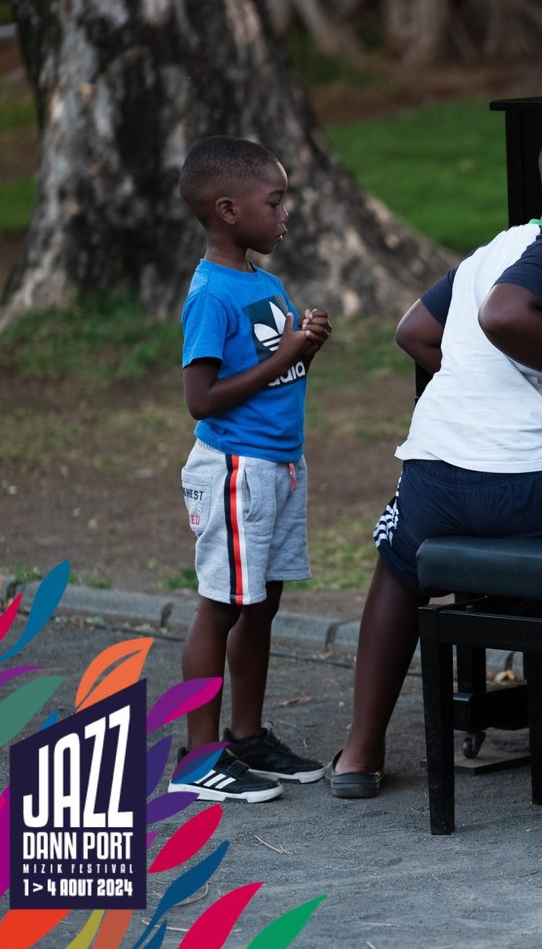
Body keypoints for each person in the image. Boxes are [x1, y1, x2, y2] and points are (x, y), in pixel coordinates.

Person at [326, 118, 542, 799]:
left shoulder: (495, 249)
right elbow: (505, 317)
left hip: (435, 481)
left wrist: (479, 388)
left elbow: (414, 331)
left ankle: (359, 751)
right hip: (536, 489)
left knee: (397, 562)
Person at [172, 136, 333, 803]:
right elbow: (201, 399)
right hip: (235, 469)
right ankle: (198, 757)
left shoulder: (264, 285)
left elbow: (275, 373)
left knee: (262, 604)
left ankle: (245, 737)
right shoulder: (211, 294)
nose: (284, 214)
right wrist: (285, 355)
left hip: (278, 466)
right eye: (275, 202)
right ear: (228, 210)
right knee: (221, 608)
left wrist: (304, 347)